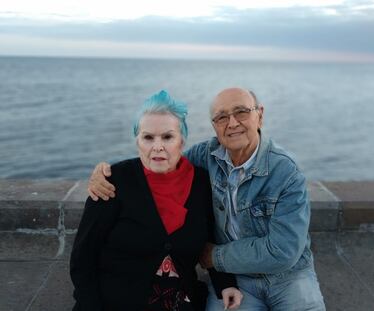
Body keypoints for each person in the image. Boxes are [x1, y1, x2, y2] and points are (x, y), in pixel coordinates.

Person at [88, 88, 326, 310]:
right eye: (221, 117)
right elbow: (160, 157)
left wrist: (214, 257)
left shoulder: (285, 172)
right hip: (236, 277)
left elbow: (283, 252)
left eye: (241, 112)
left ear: (260, 115)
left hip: (289, 275)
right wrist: (108, 173)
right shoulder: (204, 157)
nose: (232, 123)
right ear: (214, 126)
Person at [70, 90, 242, 311]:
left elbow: (212, 236)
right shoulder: (113, 182)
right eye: (148, 137)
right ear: (137, 141)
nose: (157, 146)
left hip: (181, 300)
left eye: (167, 137)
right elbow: (83, 256)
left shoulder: (200, 182)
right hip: (116, 301)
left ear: (181, 141)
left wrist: (225, 284)